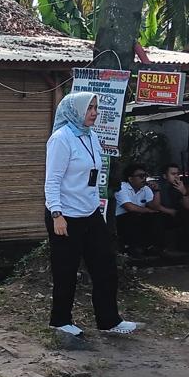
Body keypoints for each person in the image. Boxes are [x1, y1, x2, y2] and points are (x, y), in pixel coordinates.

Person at [45, 92, 143, 338]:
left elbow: (93, 176)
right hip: (65, 214)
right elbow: (52, 180)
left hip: (90, 212)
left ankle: (109, 320)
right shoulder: (61, 138)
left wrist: (97, 207)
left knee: (105, 266)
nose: (94, 113)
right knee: (66, 270)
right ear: (75, 110)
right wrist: (56, 213)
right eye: (89, 108)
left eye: (96, 107)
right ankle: (60, 321)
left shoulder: (91, 136)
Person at [114, 163, 165, 256]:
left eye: (145, 176)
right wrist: (148, 210)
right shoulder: (122, 187)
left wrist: (157, 191)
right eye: (141, 176)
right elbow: (129, 207)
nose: (144, 178)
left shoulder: (146, 189)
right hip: (121, 219)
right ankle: (131, 247)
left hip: (138, 216)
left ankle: (152, 247)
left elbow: (155, 207)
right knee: (133, 216)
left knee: (156, 217)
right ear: (130, 178)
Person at [154, 163, 189, 253]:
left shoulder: (177, 187)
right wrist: (170, 211)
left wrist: (184, 192)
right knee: (157, 218)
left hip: (175, 214)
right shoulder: (158, 186)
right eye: (173, 174)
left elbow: (188, 206)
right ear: (165, 176)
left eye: (178, 174)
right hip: (161, 213)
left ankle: (186, 247)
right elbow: (155, 206)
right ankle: (160, 248)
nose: (176, 176)